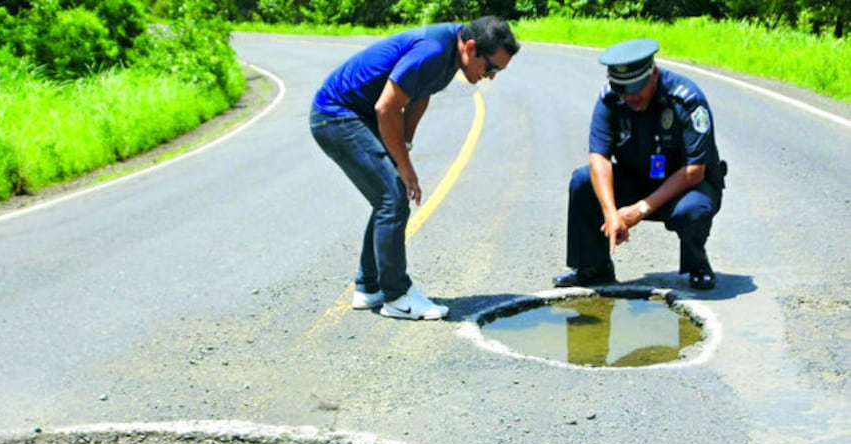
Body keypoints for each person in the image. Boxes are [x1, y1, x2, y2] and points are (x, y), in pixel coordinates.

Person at [310, 17, 520, 320]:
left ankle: (369, 287)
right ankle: (396, 296)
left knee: (388, 194)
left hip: (358, 115)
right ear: (471, 48)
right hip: (335, 115)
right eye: (491, 68)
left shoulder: (452, 55)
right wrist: (404, 168)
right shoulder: (433, 51)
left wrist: (403, 149)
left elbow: (419, 97)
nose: (491, 77)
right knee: (392, 196)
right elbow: (387, 107)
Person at [553, 38, 726, 291]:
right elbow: (598, 157)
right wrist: (612, 212)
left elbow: (694, 171)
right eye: (623, 89)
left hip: (685, 187)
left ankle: (697, 264)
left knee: (692, 211)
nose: (630, 96)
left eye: (636, 88)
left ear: (653, 74)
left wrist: (639, 210)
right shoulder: (611, 99)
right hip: (637, 179)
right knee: (582, 180)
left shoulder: (686, 99)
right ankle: (593, 267)